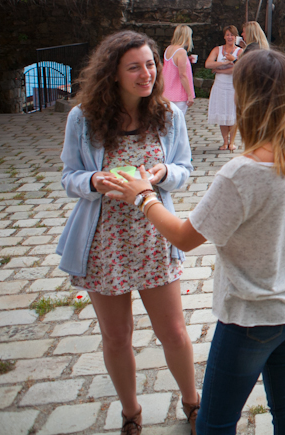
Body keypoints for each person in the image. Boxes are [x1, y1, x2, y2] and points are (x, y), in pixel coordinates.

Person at [103, 49, 285, 435]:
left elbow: (183, 236)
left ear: (247, 98)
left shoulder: (241, 173)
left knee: (214, 423)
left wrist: (143, 196)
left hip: (252, 315)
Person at [57, 31, 198, 435]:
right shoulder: (82, 119)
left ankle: (192, 403)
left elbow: (185, 169)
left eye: (150, 64)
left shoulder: (169, 114)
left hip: (155, 235)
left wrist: (165, 173)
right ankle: (131, 413)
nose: (146, 73)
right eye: (134, 67)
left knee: (173, 331)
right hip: (105, 242)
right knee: (116, 337)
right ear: (113, 73)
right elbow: (69, 176)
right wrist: (93, 180)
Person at [206, 25, 243, 151]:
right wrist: (223, 63)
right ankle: (225, 141)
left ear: (235, 37)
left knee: (232, 112)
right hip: (220, 85)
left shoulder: (239, 51)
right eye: (227, 35)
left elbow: (239, 68)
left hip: (233, 85)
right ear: (224, 36)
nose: (230, 37)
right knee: (222, 112)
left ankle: (232, 141)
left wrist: (219, 70)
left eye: (232, 35)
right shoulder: (218, 49)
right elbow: (208, 64)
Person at [163, 25, 196, 114]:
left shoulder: (169, 49)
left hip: (167, 92)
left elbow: (173, 66)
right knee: (177, 123)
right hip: (178, 94)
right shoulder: (181, 52)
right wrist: (190, 95)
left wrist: (187, 60)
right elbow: (183, 75)